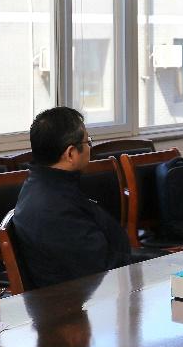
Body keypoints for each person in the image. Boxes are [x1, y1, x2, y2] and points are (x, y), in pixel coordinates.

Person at [12, 106, 131, 289]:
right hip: (78, 297)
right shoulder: (55, 208)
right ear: (70, 154)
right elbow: (103, 270)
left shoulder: (39, 184)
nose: (90, 147)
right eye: (88, 142)